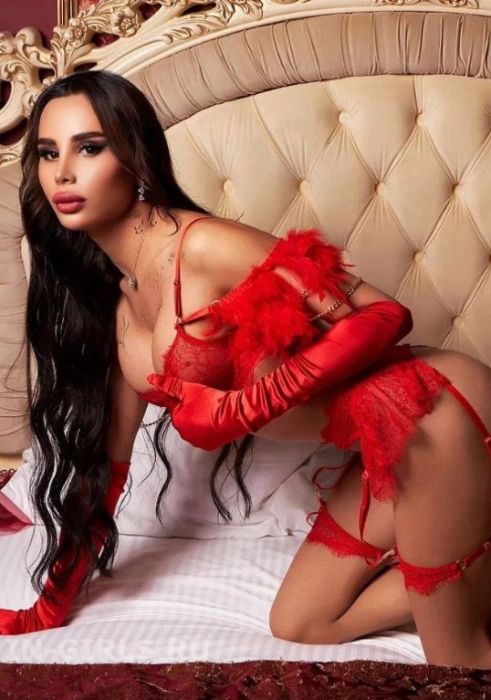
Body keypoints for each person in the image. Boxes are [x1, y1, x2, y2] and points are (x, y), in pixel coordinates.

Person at [0, 69, 490, 668]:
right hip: (384, 438)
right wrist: (48, 606)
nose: (63, 173)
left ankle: (457, 589)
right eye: (48, 153)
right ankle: (466, 565)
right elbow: (107, 474)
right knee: (302, 623)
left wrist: (242, 408)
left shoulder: (204, 247)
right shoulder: (118, 309)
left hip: (432, 412)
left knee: (457, 660)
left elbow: (384, 314)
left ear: (135, 158)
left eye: (90, 147)